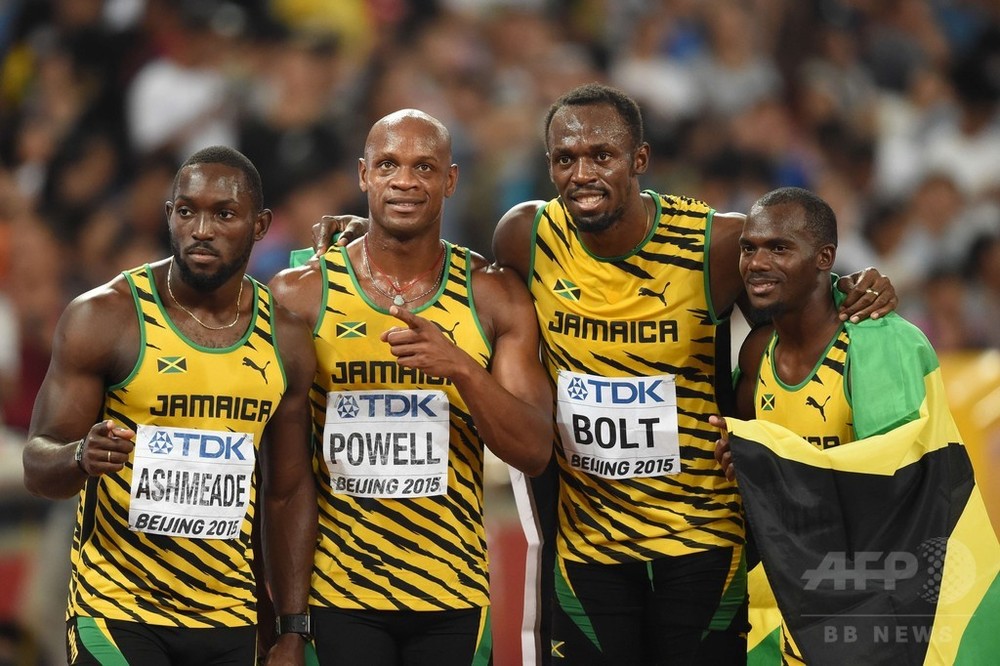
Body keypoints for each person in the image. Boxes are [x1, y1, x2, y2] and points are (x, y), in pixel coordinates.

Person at [313, 83, 897, 665]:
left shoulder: (714, 244)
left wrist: (857, 287)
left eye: (602, 156)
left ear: (639, 160)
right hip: (587, 547)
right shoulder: (527, 236)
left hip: (703, 541)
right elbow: (442, 266)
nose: (582, 173)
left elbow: (800, 289)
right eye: (566, 159)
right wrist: (365, 236)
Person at [268, 109, 553, 665]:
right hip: (338, 592)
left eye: (424, 167)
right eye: (388, 165)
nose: (404, 181)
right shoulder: (299, 295)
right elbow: (280, 472)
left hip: (453, 593)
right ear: (363, 175)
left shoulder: (493, 296)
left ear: (450, 180)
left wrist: (464, 371)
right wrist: (288, 622)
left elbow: (534, 450)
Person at [21, 146, 318, 665]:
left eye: (224, 214)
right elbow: (37, 464)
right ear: (169, 216)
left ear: (260, 225)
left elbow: (287, 492)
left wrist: (293, 626)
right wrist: (78, 456)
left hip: (230, 615)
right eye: (187, 211)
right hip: (116, 608)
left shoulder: (285, 338)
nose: (201, 228)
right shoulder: (105, 317)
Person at [712, 187, 1000, 664]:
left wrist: (767, 461)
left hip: (889, 600)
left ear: (825, 257)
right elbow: (749, 476)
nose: (757, 263)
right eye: (749, 248)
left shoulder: (881, 342)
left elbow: (896, 491)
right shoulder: (757, 353)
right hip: (797, 594)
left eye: (779, 248)